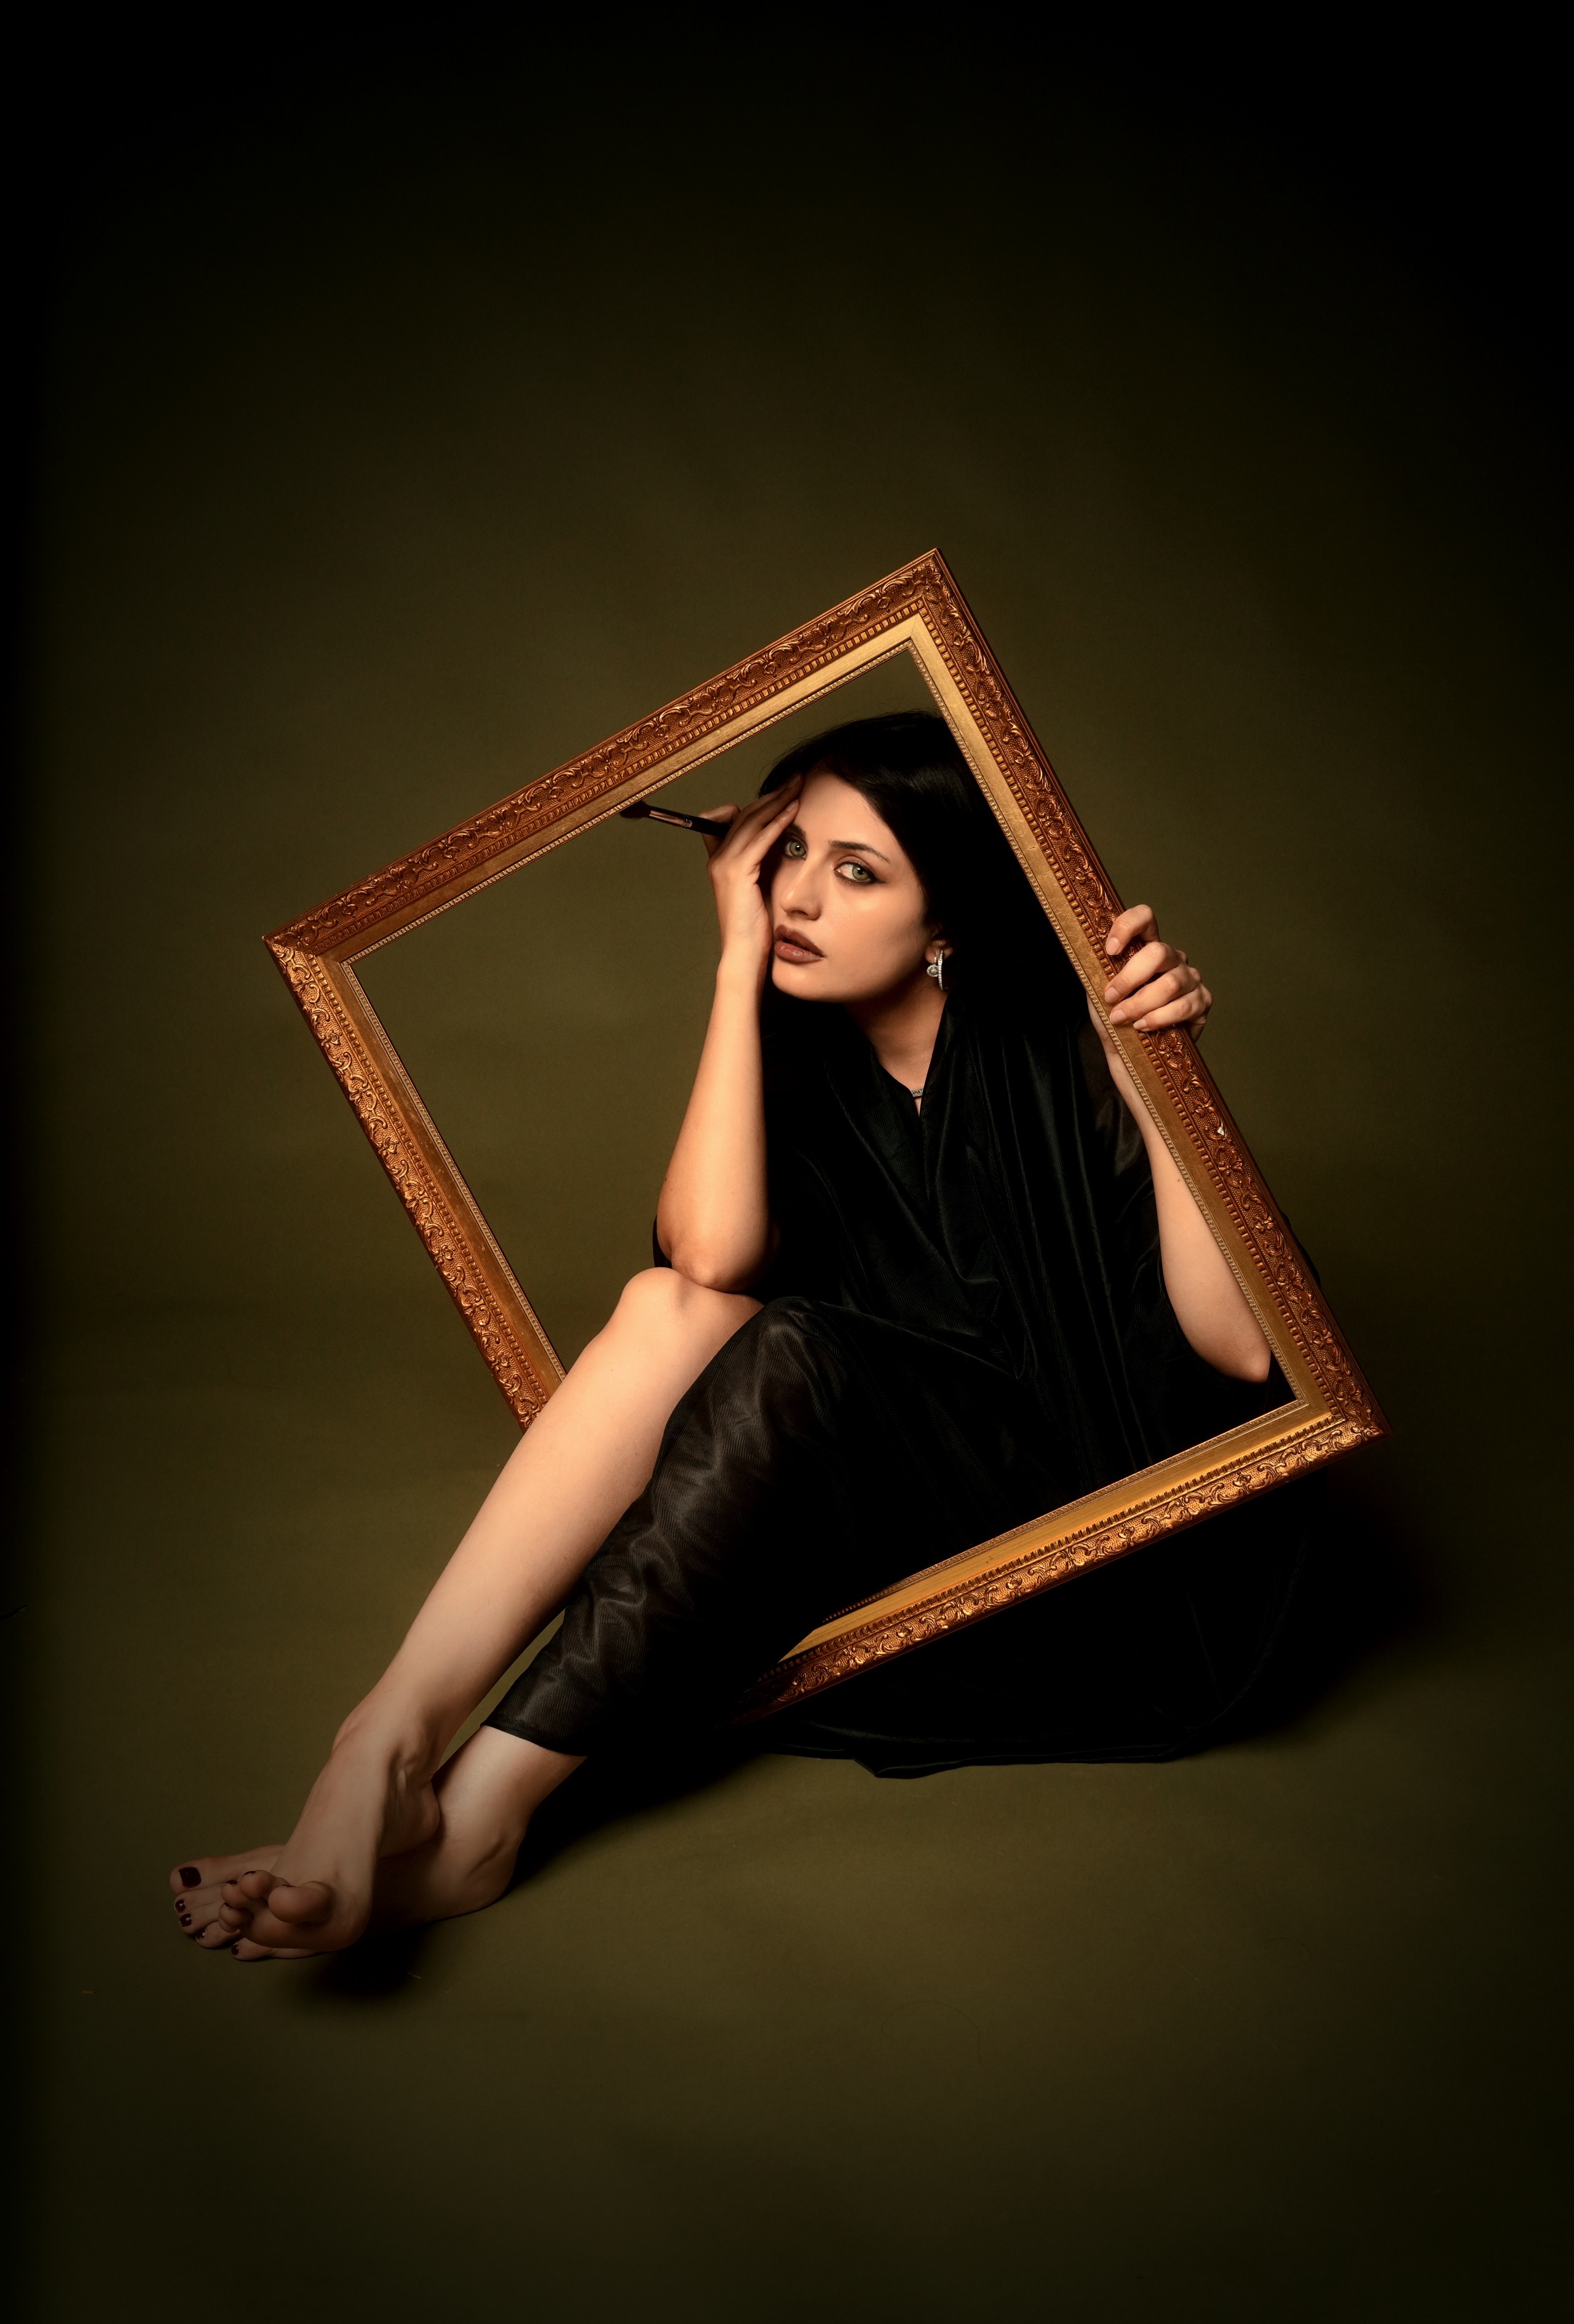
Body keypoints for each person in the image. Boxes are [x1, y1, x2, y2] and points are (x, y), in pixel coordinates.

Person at [172, 713, 1302, 1962]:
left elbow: (1241, 1355)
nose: (798, 898)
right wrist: (729, 972)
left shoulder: (1057, 1037)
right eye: (786, 856)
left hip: (1107, 1560)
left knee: (791, 1349)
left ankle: (476, 1818)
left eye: (855, 870)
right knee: (676, 1309)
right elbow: (702, 1266)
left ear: (945, 922)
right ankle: (382, 1744)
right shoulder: (798, 1050)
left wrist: (1156, 1079)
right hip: (902, 1523)